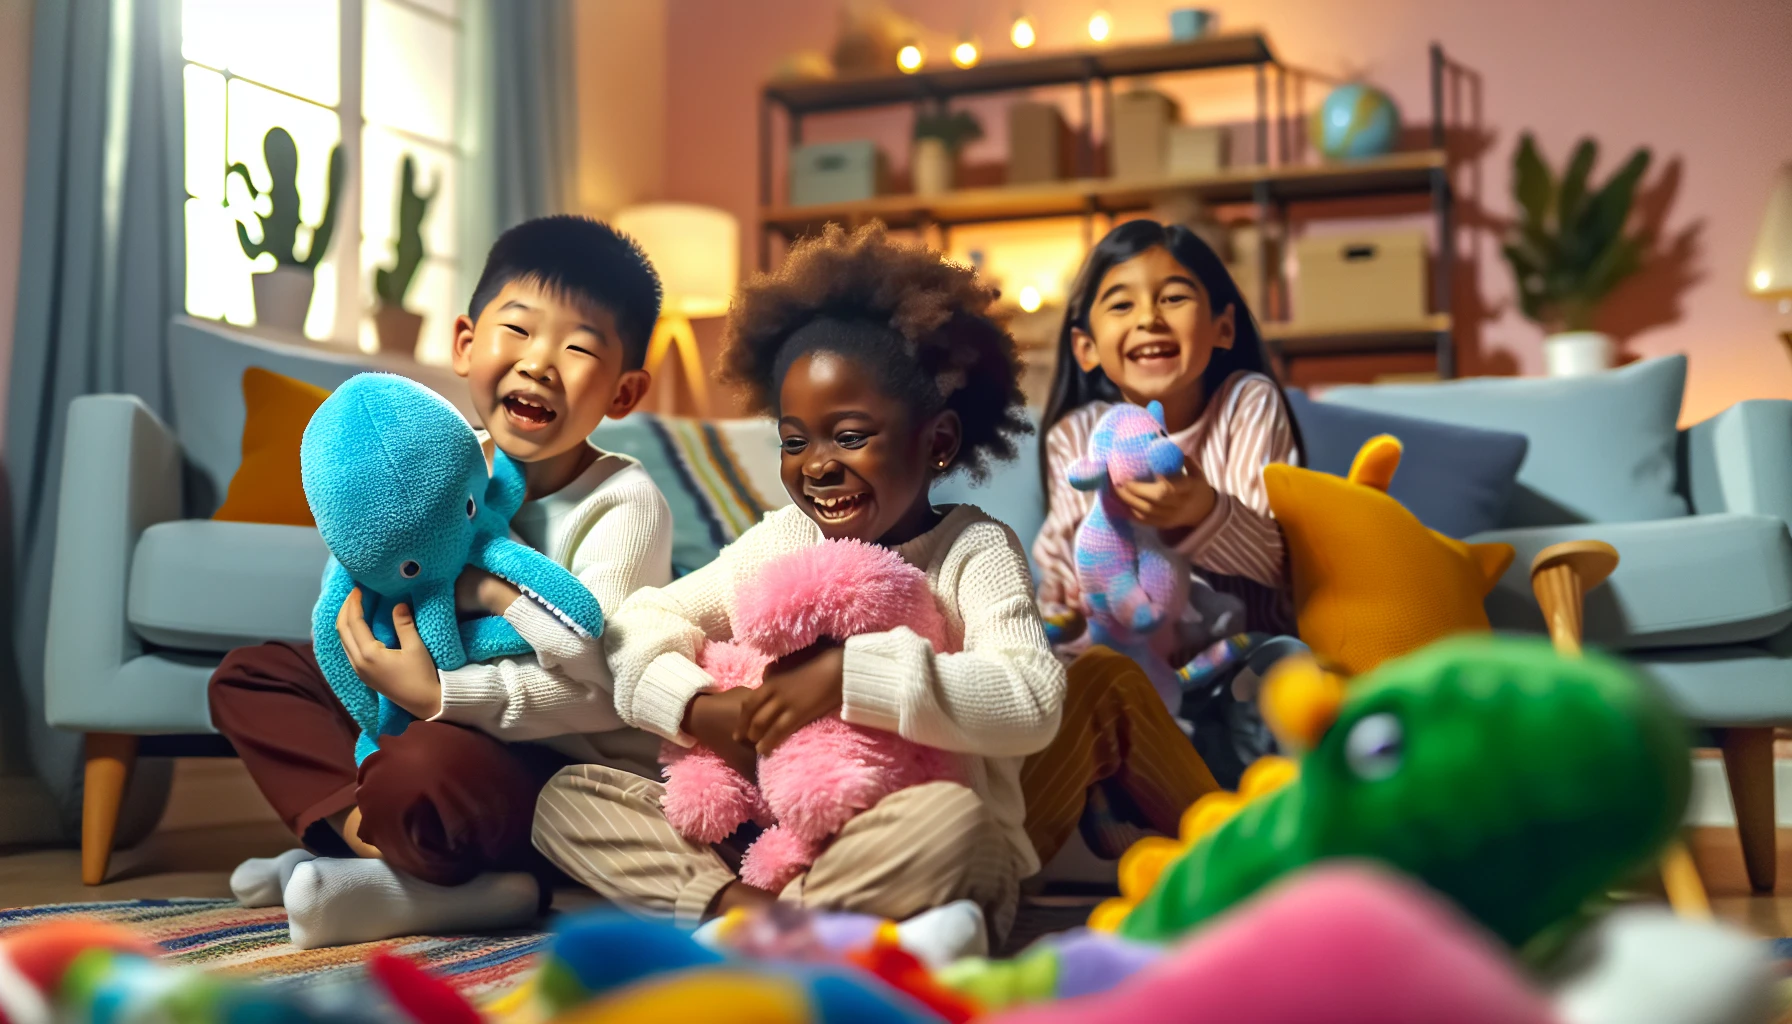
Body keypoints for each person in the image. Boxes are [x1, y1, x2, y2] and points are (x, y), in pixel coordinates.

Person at [532, 223, 1061, 945]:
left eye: (849, 436)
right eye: (793, 441)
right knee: (565, 801)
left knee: (958, 824)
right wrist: (701, 709)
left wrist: (847, 678)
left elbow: (1032, 699)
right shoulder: (783, 538)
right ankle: (761, 919)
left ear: (936, 442)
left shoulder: (972, 550)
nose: (816, 466)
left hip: (907, 836)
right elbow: (638, 624)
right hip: (766, 843)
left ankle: (778, 931)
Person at [208, 216, 675, 948]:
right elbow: (375, 567)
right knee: (254, 675)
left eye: (579, 347)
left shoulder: (624, 502)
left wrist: (440, 696)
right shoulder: (447, 458)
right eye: (516, 330)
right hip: (418, 709)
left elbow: (603, 685)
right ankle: (383, 855)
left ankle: (403, 869)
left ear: (623, 392)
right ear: (466, 344)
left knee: (421, 765)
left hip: (554, 761)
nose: (540, 362)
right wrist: (362, 647)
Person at [1019, 218, 1305, 866]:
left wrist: (1200, 511)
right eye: (1122, 303)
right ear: (1087, 348)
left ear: (1223, 327)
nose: (1149, 318)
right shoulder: (1079, 433)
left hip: (1232, 660)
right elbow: (1069, 567)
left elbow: (1277, 564)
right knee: (1066, 681)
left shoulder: (1245, 404)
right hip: (1131, 671)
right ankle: (1125, 838)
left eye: (1173, 297)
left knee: (1285, 668)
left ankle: (1275, 838)